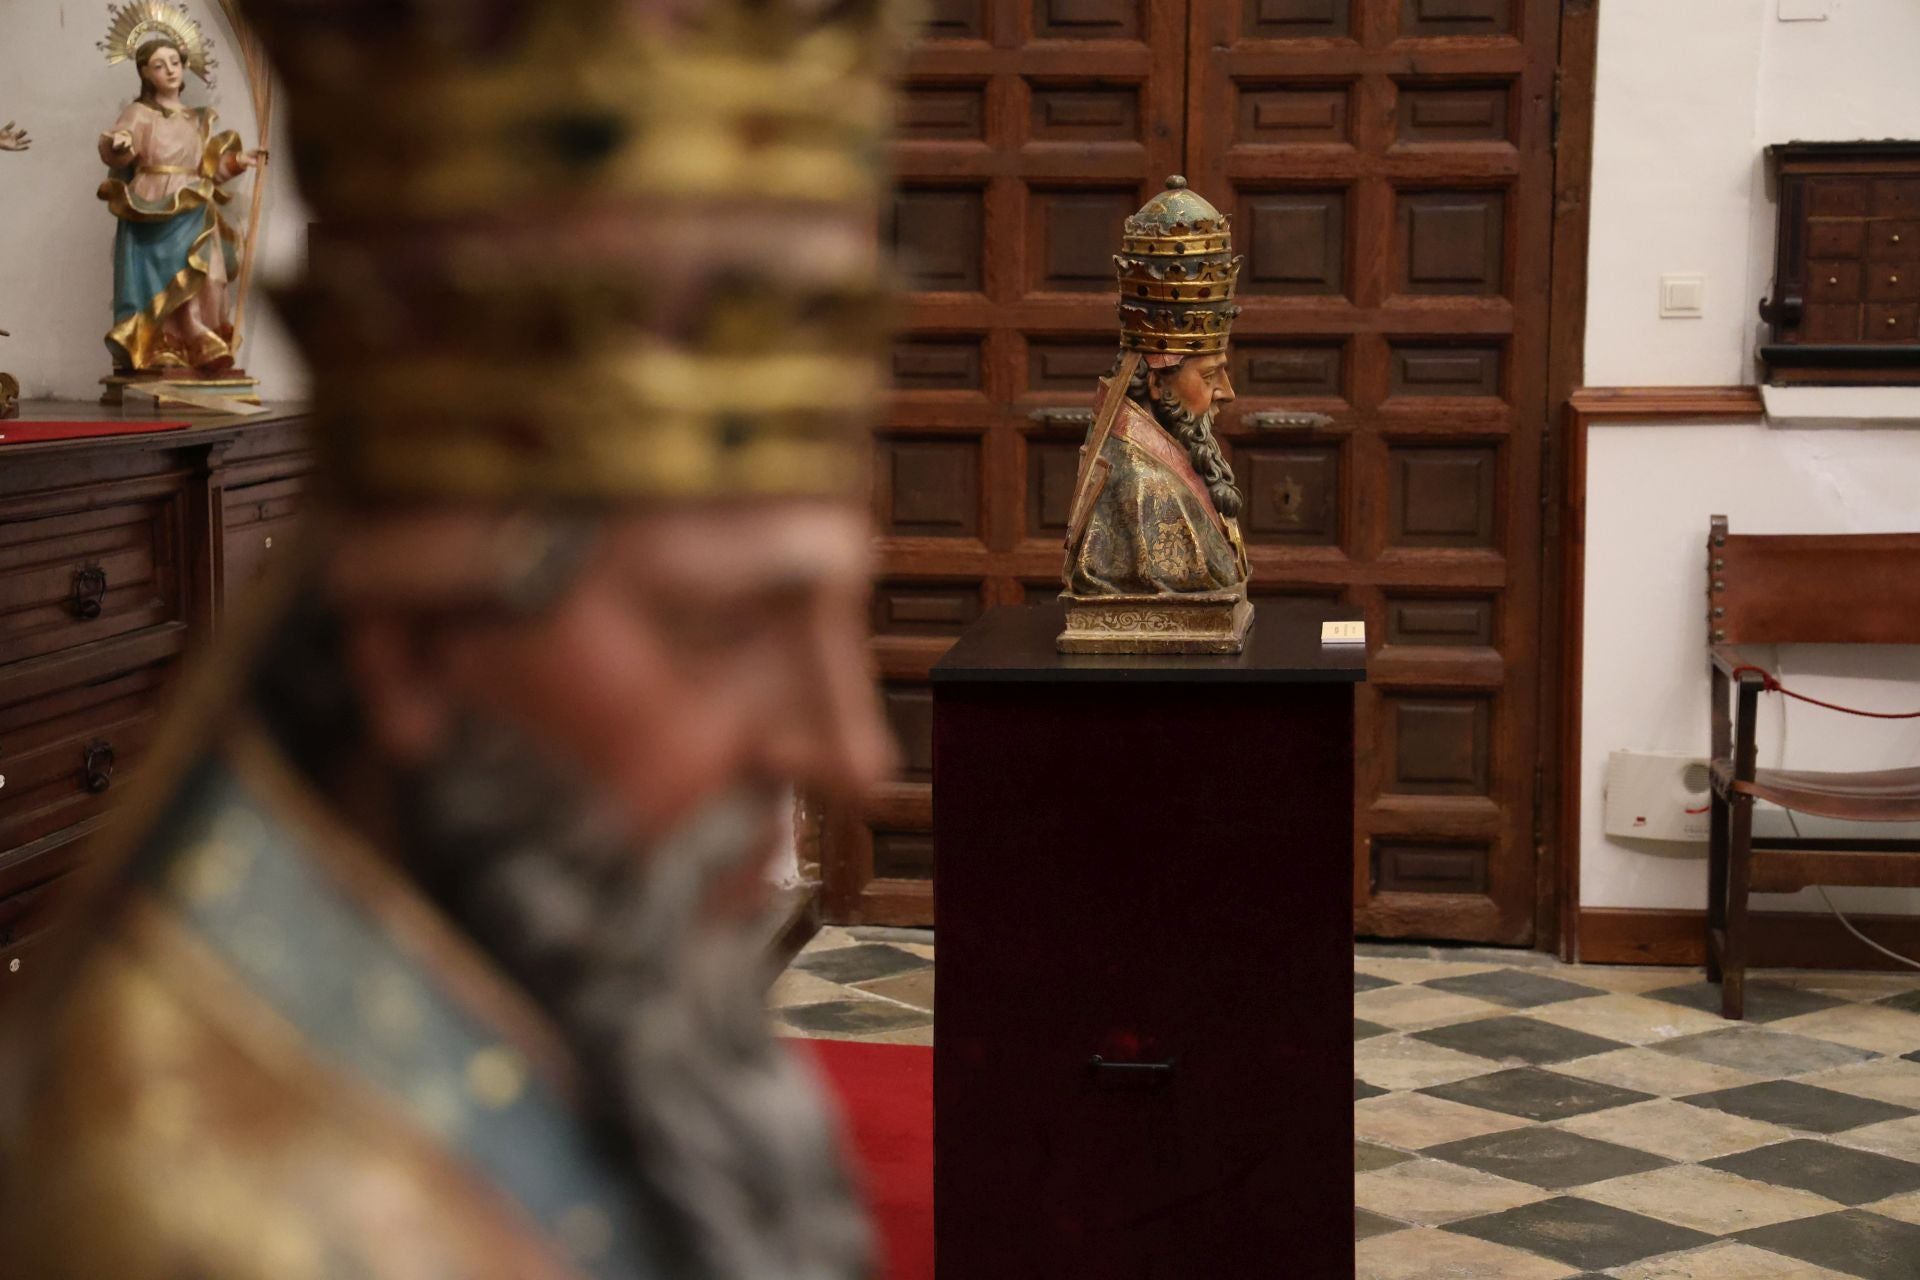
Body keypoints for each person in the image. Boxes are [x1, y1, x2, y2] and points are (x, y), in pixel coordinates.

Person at [0, 2, 904, 1277]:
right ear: (415, 642)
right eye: (719, 627)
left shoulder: (605, 999)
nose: (846, 746)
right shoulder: (225, 1229)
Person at [1059, 177, 1250, 651]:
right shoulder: (1148, 485)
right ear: (1159, 381)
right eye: (1209, 377)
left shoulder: (1174, 453)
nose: (1227, 393)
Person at [96, 5, 263, 375]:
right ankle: (167, 345)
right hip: (153, 205)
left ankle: (203, 342)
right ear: (145, 73)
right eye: (159, 64)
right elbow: (118, 148)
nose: (171, 69)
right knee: (166, 278)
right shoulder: (140, 113)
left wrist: (238, 161)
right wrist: (120, 143)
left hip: (196, 203)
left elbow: (208, 169)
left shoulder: (197, 118)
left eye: (175, 61)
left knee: (210, 276)